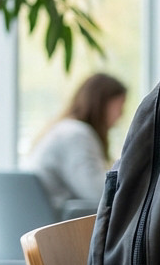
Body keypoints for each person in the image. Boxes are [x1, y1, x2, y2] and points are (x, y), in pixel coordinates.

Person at [25, 73, 126, 213]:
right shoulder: (76, 134)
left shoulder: (63, 129)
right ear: (101, 103)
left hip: (44, 220)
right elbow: (97, 192)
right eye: (119, 107)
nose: (121, 115)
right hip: (60, 226)